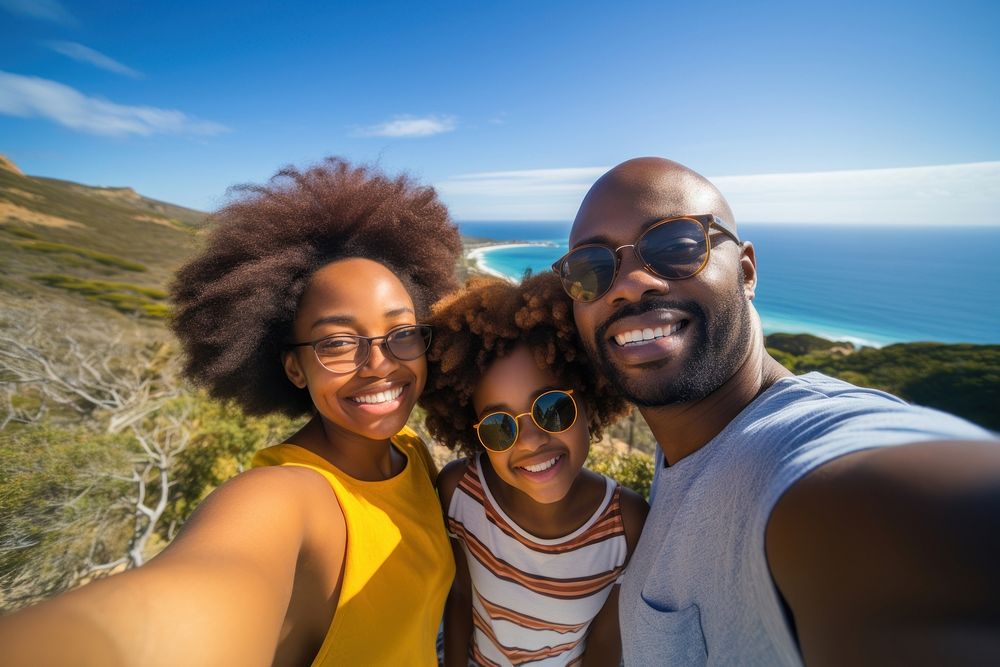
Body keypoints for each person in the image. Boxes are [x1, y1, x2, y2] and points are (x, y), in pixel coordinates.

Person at [0, 158, 462, 666]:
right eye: (336, 342)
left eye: (401, 333)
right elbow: (181, 604)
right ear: (294, 368)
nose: (379, 364)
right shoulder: (286, 496)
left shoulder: (410, 452)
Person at [551, 157, 1000, 665]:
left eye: (675, 245)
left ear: (745, 271)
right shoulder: (686, 444)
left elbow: (918, 527)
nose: (631, 283)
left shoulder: (798, 451)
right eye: (591, 270)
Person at [420, 273, 649, 666]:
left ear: (589, 399)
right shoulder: (461, 493)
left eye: (553, 408)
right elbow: (460, 599)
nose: (528, 441)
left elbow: (605, 646)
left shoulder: (626, 525)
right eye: (499, 426)